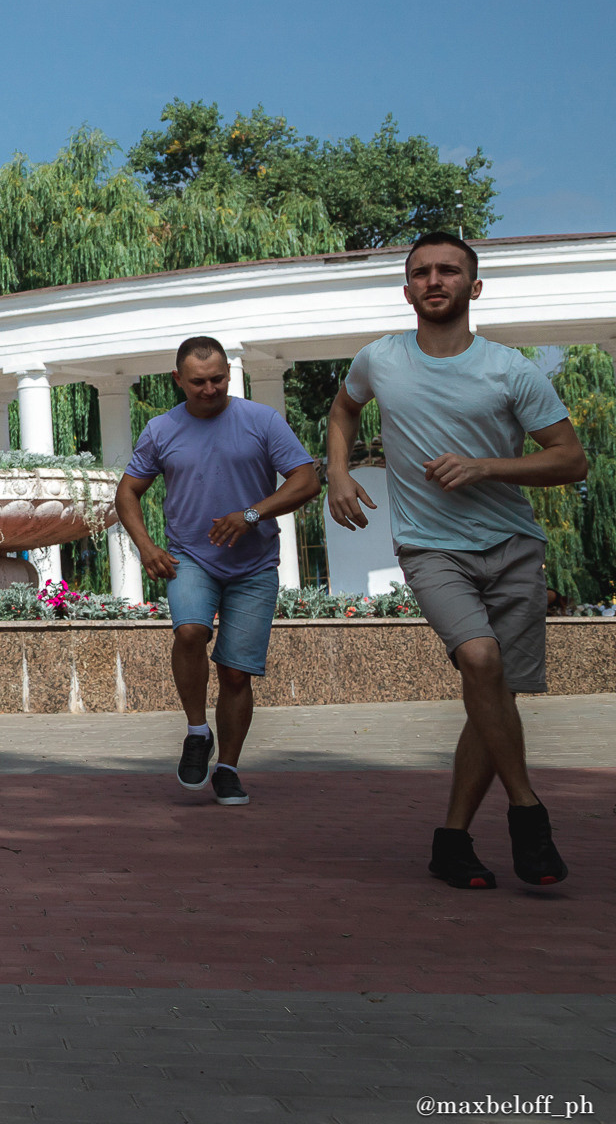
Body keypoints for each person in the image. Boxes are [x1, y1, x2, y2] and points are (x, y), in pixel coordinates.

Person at [327, 232, 587, 890]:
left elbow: (570, 459)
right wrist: (337, 473)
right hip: (430, 546)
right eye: (421, 272)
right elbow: (343, 409)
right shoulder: (379, 360)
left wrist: (487, 467)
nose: (433, 280)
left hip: (512, 546)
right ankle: (528, 815)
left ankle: (452, 840)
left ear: (474, 287)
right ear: (407, 288)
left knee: (493, 695)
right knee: (480, 661)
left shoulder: (511, 370)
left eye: (449, 271)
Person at [115, 338, 320, 806]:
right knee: (190, 632)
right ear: (177, 379)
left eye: (218, 379)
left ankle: (227, 767)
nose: (209, 390)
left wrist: (251, 515)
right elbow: (127, 493)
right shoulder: (161, 429)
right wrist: (147, 548)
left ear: (229, 373)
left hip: (254, 565)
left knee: (234, 674)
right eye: (198, 382)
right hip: (192, 558)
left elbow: (306, 479)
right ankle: (196, 731)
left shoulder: (261, 421)